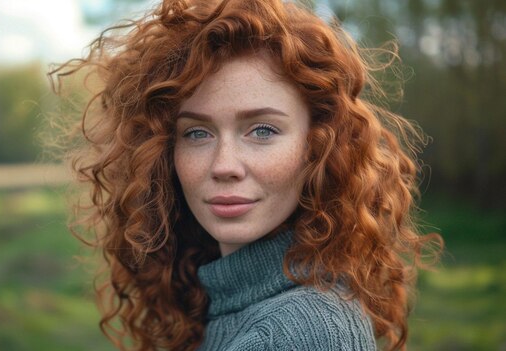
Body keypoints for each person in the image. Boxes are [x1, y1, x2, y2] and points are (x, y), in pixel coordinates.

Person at [49, 0, 443, 350]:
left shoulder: (303, 332)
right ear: (163, 153)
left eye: (263, 130)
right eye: (197, 133)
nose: (224, 165)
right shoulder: (212, 306)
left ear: (319, 147)